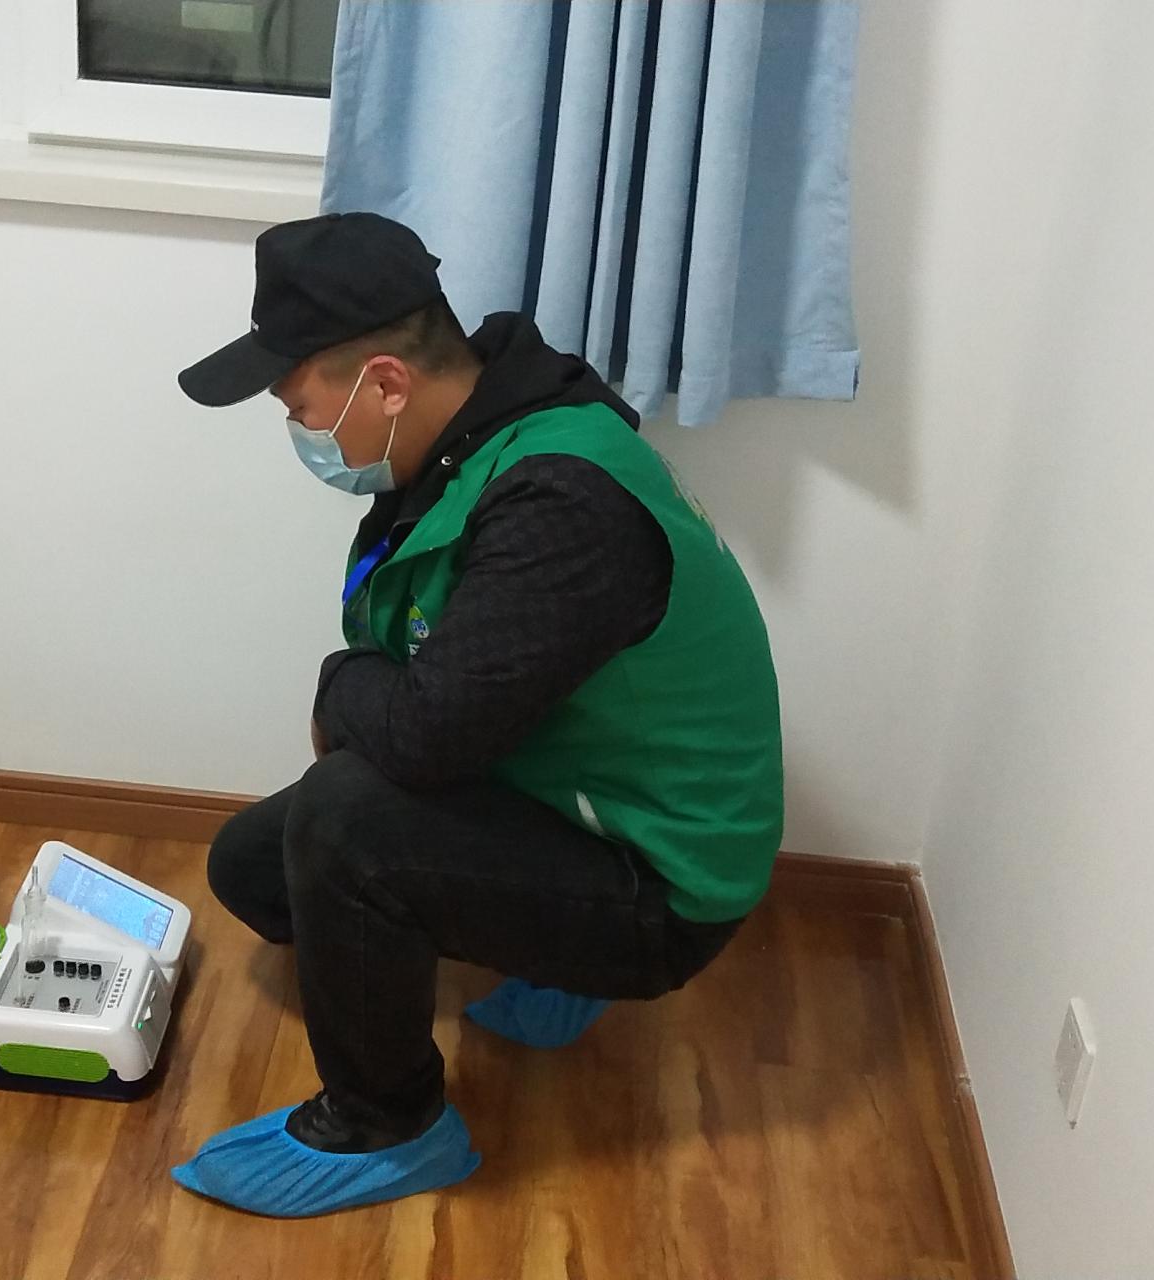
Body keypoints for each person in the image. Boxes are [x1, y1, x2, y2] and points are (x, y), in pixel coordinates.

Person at [167, 212, 785, 1218]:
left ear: (386, 383)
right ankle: (529, 939)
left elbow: (421, 737)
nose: (297, 430)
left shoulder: (560, 505)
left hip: (660, 881)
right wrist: (367, 700)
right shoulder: (475, 436)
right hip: (558, 782)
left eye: (298, 403)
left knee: (345, 818)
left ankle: (388, 1123)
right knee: (253, 866)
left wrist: (335, 688)